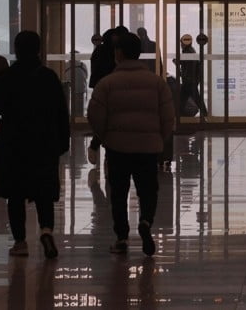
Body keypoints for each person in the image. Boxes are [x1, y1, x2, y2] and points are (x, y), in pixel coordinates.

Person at [87, 33, 175, 256]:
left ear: (118, 53)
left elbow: (94, 115)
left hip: (118, 148)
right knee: (148, 189)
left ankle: (122, 237)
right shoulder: (157, 83)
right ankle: (145, 221)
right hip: (147, 148)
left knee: (118, 192)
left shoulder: (107, 83)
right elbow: (168, 116)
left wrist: (104, 137)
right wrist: (159, 138)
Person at [0, 30, 70, 259]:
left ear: (16, 49)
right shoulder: (48, 77)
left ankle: (20, 242)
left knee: (15, 194)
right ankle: (45, 230)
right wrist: (63, 142)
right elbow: (61, 113)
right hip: (44, 142)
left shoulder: (7, 76)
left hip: (14, 142)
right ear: (38, 49)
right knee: (44, 191)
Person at [88, 26, 127, 165]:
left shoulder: (102, 49)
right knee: (110, 120)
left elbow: (95, 70)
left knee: (107, 120)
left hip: (103, 87)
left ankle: (101, 146)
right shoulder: (110, 50)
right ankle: (102, 147)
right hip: (108, 88)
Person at [177, 33, 208, 118]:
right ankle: (178, 116)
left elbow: (188, 66)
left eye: (181, 43)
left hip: (189, 81)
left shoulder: (188, 52)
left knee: (192, 99)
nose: (180, 45)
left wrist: (177, 63)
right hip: (190, 80)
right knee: (183, 100)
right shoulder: (190, 50)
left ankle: (205, 114)